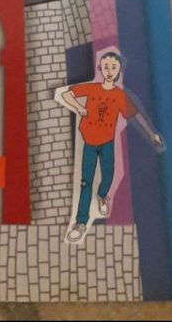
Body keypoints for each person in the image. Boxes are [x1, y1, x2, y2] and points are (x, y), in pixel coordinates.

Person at [61, 51, 163, 243]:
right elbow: (66, 94)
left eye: (113, 67)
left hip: (107, 143)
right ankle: (81, 222)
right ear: (100, 69)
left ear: (119, 71)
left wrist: (151, 134)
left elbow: (136, 115)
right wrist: (79, 107)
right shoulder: (92, 89)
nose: (109, 70)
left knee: (108, 175)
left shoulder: (118, 95)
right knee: (85, 182)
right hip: (89, 143)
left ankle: (102, 196)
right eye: (106, 67)